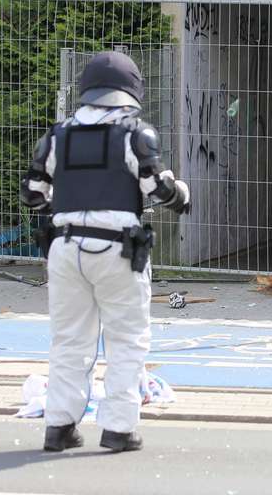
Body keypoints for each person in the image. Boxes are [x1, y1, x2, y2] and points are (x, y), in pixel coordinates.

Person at [20, 51, 190, 453]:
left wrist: (66, 211)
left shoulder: (58, 135)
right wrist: (181, 194)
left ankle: (59, 427)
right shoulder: (135, 134)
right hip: (117, 249)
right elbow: (157, 190)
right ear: (131, 90)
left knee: (68, 341)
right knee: (126, 340)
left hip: (63, 247)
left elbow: (31, 194)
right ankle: (119, 428)